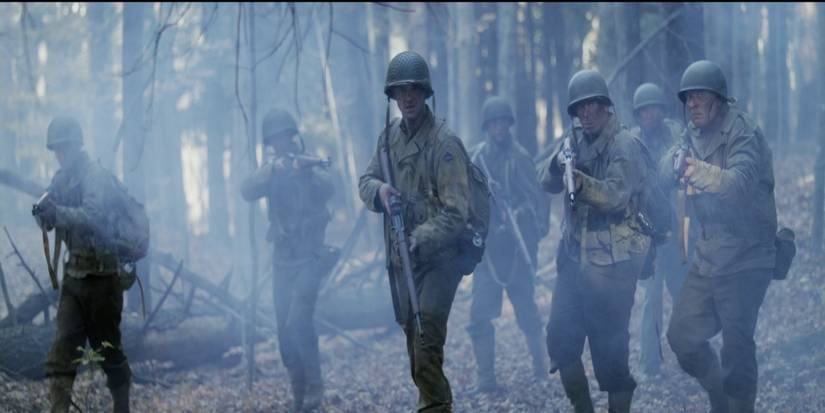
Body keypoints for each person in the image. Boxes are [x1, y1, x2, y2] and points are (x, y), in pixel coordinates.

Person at [358, 50, 473, 412]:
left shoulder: (445, 143)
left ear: (424, 92)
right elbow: (365, 180)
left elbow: (456, 213)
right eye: (399, 91)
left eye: (413, 89)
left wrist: (418, 238)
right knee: (417, 355)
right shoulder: (387, 140)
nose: (406, 97)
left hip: (440, 261)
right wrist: (380, 191)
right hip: (403, 263)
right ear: (392, 97)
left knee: (425, 350)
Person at [665, 60, 777, 413]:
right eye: (688, 99)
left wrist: (693, 169)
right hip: (710, 253)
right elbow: (664, 166)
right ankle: (720, 398)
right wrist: (672, 162)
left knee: (737, 347)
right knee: (681, 336)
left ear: (719, 100)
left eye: (700, 97)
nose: (692, 104)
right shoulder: (691, 134)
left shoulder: (743, 131)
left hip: (748, 252)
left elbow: (739, 186)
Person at [537, 69, 651, 413]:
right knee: (559, 341)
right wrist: (559, 166)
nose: (585, 114)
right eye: (579, 109)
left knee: (611, 357)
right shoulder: (573, 141)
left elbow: (615, 195)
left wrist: (579, 180)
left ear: (605, 106)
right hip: (573, 261)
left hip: (614, 266)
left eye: (591, 106)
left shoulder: (625, 145)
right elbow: (546, 182)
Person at [36, 117, 134, 412]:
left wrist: (59, 212)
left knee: (110, 352)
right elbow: (50, 218)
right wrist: (44, 214)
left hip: (103, 279)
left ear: (77, 146)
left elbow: (93, 216)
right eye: (56, 149)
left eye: (64, 148)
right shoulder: (60, 179)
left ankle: (122, 407)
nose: (60, 154)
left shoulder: (96, 176)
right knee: (61, 354)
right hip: (75, 279)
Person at [241, 109, 335, 412]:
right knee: (283, 329)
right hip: (283, 260)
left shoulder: (309, 165)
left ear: (292, 136)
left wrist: (303, 171)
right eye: (275, 139)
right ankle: (299, 390)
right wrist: (274, 171)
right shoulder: (271, 170)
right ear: (270, 142)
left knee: (299, 319)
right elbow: (247, 189)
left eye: (285, 137)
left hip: (310, 257)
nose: (281, 143)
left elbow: (330, 186)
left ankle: (315, 386)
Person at [467, 96, 546, 393]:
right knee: (478, 316)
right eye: (493, 123)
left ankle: (541, 367)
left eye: (503, 122)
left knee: (527, 312)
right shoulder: (477, 160)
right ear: (487, 127)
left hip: (516, 248)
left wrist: (520, 216)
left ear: (509, 125)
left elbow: (538, 201)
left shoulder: (521, 157)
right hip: (489, 253)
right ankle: (486, 380)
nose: (498, 127)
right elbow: (467, 203)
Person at [629, 83, 688, 379]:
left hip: (677, 231)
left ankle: (692, 357)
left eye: (652, 108)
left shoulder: (677, 135)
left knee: (683, 296)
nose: (648, 114)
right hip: (648, 237)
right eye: (643, 110)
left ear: (661, 111)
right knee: (651, 300)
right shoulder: (631, 142)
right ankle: (650, 366)